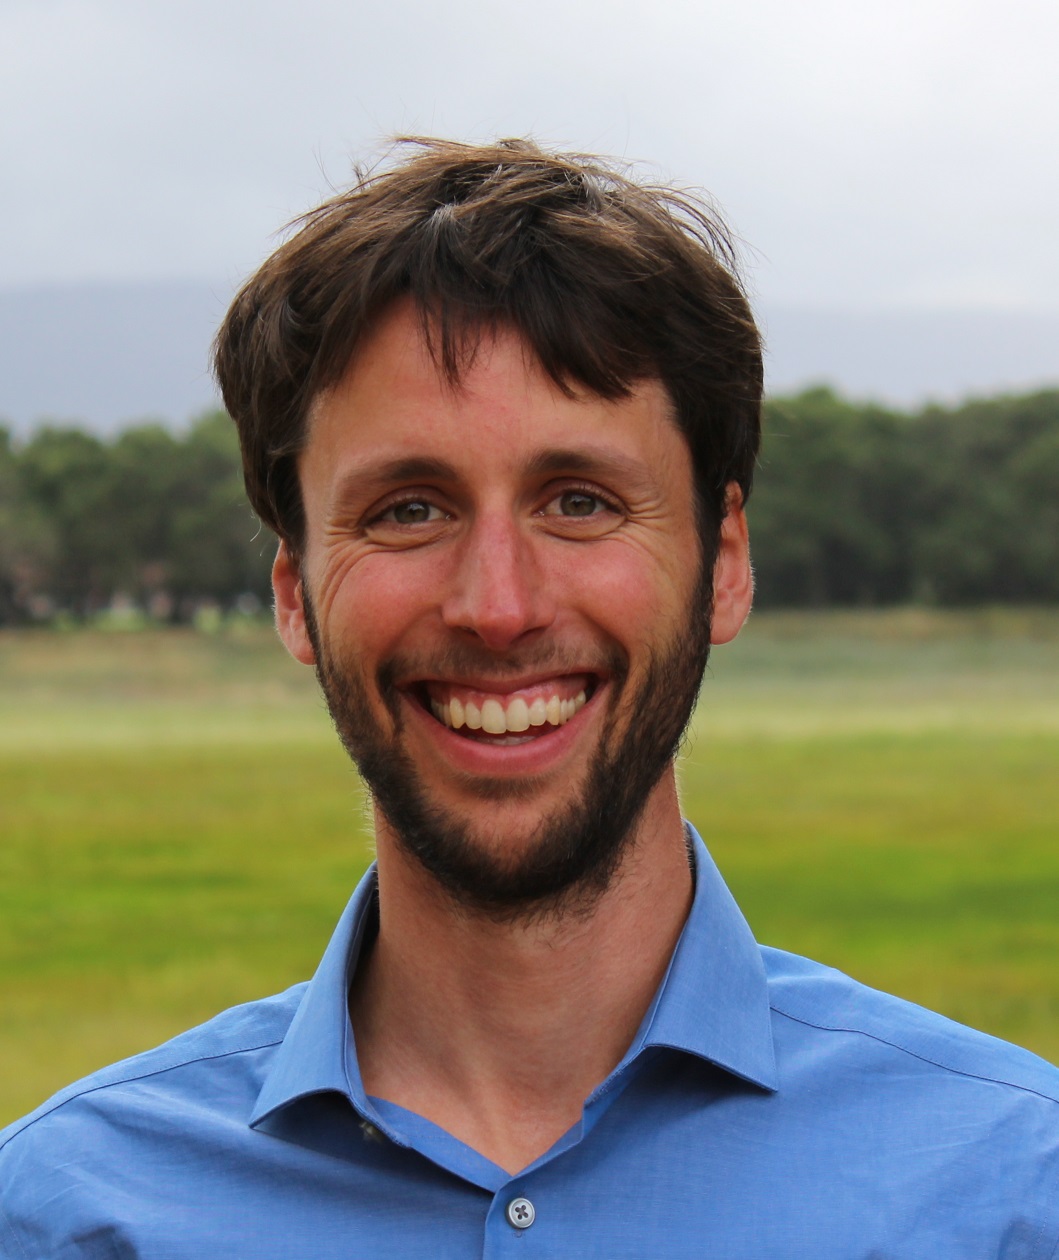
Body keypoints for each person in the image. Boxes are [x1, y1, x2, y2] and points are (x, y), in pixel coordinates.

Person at [1, 138, 1056, 1259]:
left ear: (724, 563)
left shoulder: (1008, 1195)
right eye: (409, 510)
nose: (497, 608)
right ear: (295, 594)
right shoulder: (67, 1217)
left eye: (580, 501)